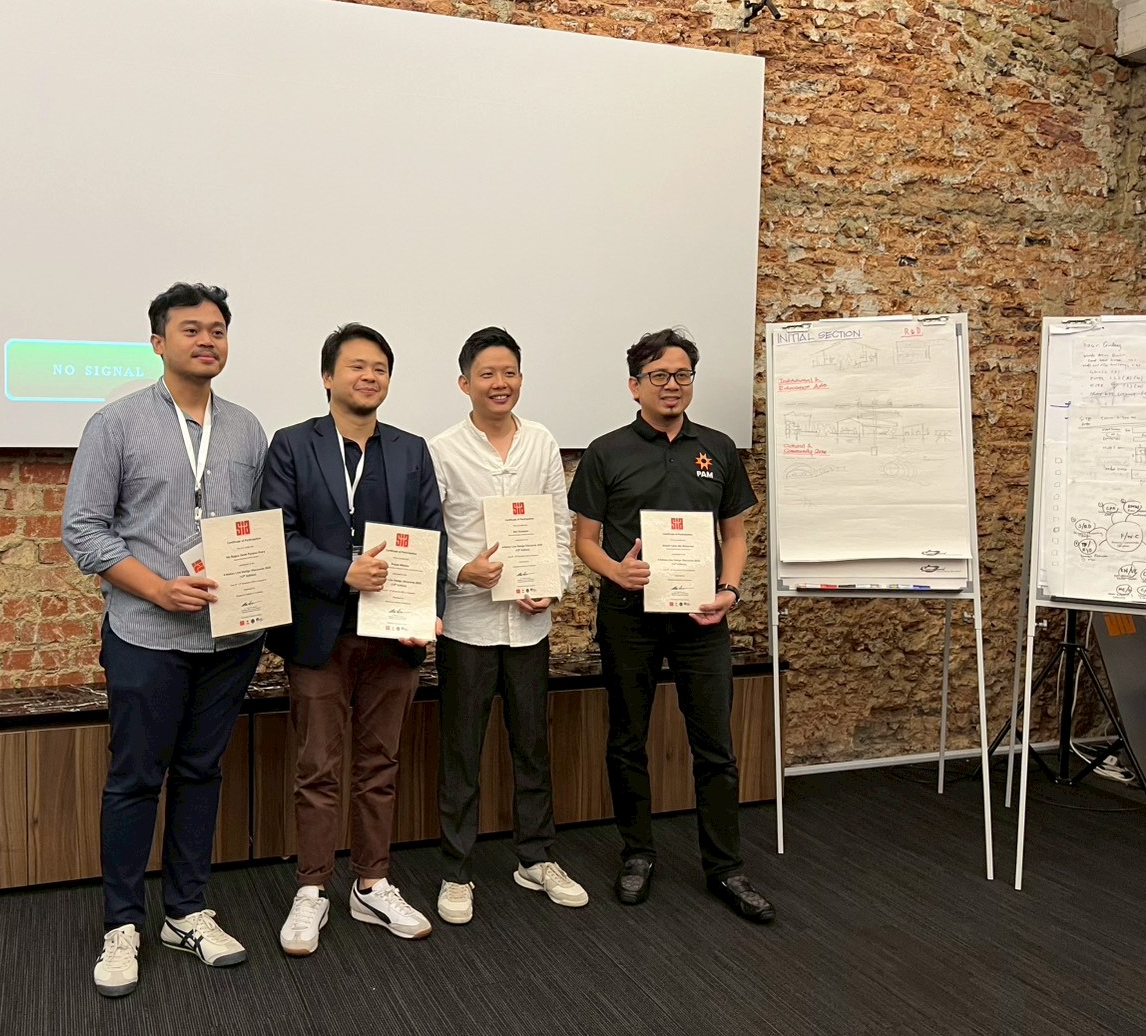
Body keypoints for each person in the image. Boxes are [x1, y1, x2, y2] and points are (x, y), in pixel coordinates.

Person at [63, 282, 269, 997]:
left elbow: (257, 529)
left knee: (202, 773)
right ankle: (123, 922)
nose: (207, 340)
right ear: (158, 343)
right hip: (147, 635)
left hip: (229, 641)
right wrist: (156, 588)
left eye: (217, 330)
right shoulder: (115, 424)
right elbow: (83, 531)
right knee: (135, 779)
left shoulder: (246, 428)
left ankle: (186, 911)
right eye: (191, 329)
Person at [567, 327, 775, 923]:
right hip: (629, 616)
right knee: (627, 739)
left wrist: (729, 590)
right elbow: (585, 539)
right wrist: (616, 570)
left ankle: (726, 868)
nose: (672, 385)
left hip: (701, 619)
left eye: (682, 375)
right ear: (635, 386)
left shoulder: (718, 448)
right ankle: (637, 852)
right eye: (658, 376)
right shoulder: (606, 451)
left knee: (715, 746)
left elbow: (734, 534)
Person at [261, 322, 447, 956]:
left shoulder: (411, 450)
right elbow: (279, 534)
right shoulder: (292, 444)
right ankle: (312, 888)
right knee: (317, 767)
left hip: (394, 638)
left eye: (380, 368)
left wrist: (430, 613)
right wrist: (342, 570)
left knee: (380, 765)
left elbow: (431, 538)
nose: (370, 377)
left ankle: (373, 883)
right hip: (319, 634)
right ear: (328, 377)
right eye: (357, 366)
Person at [428, 327, 587, 925]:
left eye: (510, 372)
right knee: (462, 754)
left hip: (529, 629)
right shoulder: (442, 449)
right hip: (468, 627)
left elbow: (559, 524)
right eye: (487, 374)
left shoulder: (541, 441)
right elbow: (431, 533)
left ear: (521, 378)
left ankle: (536, 858)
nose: (500, 383)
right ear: (464, 383)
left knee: (532, 747)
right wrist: (460, 570)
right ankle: (456, 870)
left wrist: (554, 584)